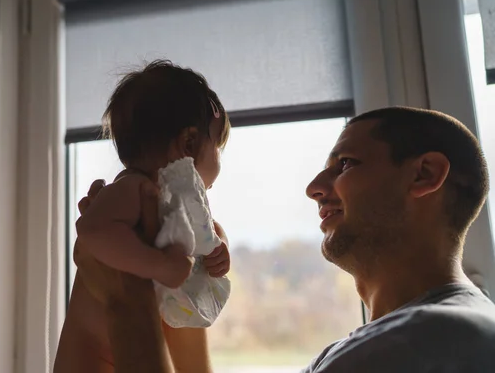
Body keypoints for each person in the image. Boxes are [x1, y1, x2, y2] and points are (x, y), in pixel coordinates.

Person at [76, 106, 495, 372]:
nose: (314, 186)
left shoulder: (431, 339)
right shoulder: (400, 339)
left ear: (423, 175)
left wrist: (126, 295)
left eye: (345, 164)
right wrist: (176, 269)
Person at [53, 60, 232, 373]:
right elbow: (92, 230)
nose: (219, 160)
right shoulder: (135, 187)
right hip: (91, 359)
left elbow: (205, 238)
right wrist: (160, 264)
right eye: (218, 145)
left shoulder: (176, 207)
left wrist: (219, 248)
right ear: (188, 144)